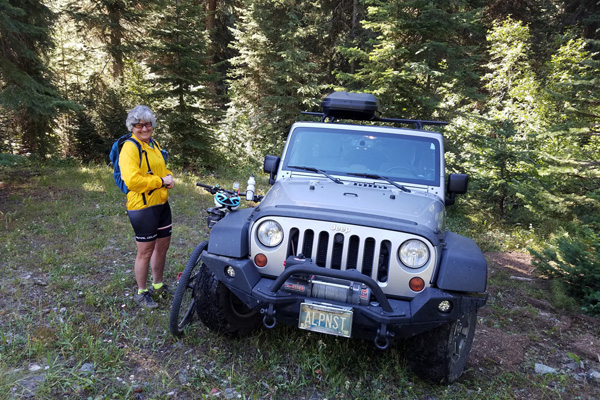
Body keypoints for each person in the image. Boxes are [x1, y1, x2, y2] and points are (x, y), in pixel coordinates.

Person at [120, 105, 175, 309]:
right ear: (131, 127)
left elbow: (161, 169)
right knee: (145, 251)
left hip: (161, 204)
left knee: (162, 247)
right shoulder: (130, 148)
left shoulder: (154, 144)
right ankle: (142, 292)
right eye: (138, 125)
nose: (144, 129)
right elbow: (133, 181)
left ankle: (158, 285)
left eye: (147, 124)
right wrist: (161, 181)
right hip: (141, 208)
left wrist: (168, 178)